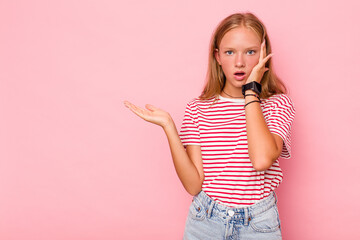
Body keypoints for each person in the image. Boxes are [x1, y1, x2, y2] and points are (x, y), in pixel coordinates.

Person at [124, 12, 295, 240]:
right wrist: (169, 127)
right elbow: (194, 185)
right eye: (230, 52)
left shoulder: (276, 104)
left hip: (259, 225)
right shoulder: (197, 109)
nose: (240, 62)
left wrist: (251, 90)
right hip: (205, 221)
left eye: (250, 51)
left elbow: (262, 160)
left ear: (264, 55)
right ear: (218, 56)